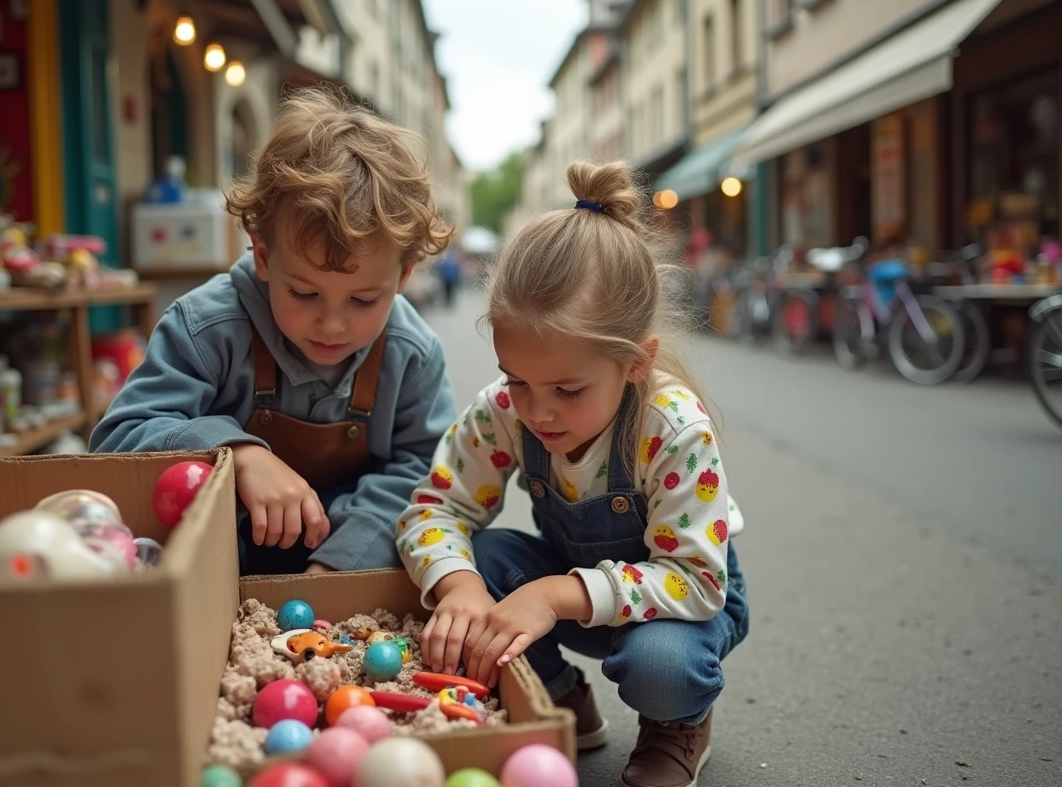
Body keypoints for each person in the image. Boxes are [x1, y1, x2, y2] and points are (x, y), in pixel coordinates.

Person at [395, 161, 749, 787]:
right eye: (518, 380)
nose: (538, 410)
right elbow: (435, 509)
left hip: (681, 606)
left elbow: (695, 581)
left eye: (567, 388)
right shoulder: (507, 411)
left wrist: (553, 594)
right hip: (574, 594)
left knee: (661, 665)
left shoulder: (672, 428)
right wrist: (462, 589)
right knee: (482, 557)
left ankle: (677, 723)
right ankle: (560, 698)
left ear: (635, 363)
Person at [92, 88, 458, 576]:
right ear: (263, 255)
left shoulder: (412, 353)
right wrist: (237, 454)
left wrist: (340, 565)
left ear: (405, 275)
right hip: (219, 564)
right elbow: (118, 439)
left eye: (364, 300)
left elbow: (423, 472)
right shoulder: (206, 327)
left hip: (348, 559)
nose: (331, 324)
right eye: (305, 294)